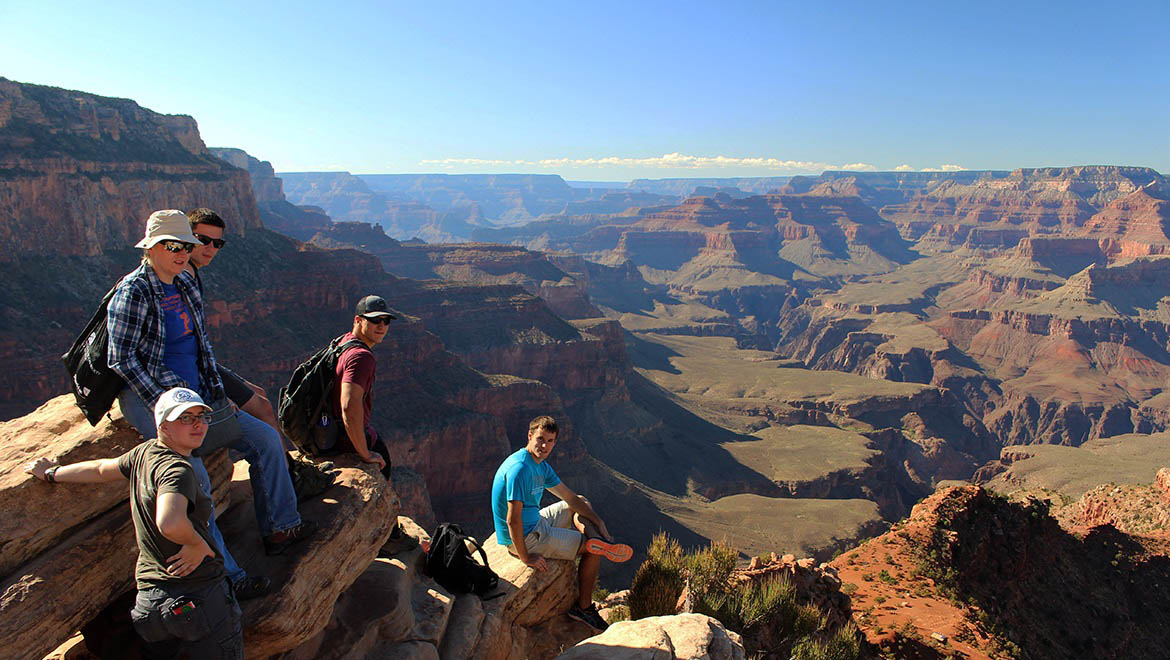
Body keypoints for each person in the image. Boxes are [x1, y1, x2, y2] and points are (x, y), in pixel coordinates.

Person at [107, 209, 316, 601]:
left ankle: (281, 527)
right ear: (151, 247)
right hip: (155, 400)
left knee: (267, 441)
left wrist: (217, 401)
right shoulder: (133, 292)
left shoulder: (184, 285)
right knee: (196, 482)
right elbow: (121, 360)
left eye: (187, 245)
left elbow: (202, 350)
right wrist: (167, 408)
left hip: (199, 397)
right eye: (173, 246)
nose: (183, 252)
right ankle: (228, 576)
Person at [25, 388, 243, 659]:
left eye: (201, 416)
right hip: (199, 599)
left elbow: (101, 469)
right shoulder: (177, 470)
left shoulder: (145, 453)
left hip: (150, 605)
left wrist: (51, 473)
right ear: (163, 424)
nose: (198, 424)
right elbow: (169, 522)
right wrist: (197, 544)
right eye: (185, 418)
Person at [184, 208, 334, 500]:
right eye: (204, 240)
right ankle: (292, 479)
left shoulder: (191, 273)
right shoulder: (180, 274)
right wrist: (212, 394)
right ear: (186, 237)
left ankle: (292, 469)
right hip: (194, 368)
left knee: (261, 397)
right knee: (261, 415)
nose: (211, 248)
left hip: (202, 361)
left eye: (218, 243)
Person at [490, 416, 634, 631]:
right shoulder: (520, 469)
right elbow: (513, 519)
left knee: (581, 501)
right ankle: (583, 608)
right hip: (527, 537)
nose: (544, 445)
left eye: (549, 441)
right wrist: (525, 556)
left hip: (536, 521)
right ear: (530, 436)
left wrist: (598, 521)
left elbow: (570, 497)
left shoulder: (540, 466)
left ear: (555, 443)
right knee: (592, 552)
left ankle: (593, 536)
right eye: (540, 439)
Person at [329, 294, 415, 554]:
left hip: (328, 429)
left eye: (386, 321)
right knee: (382, 458)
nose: (382, 326)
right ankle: (388, 534)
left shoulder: (343, 342)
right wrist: (363, 452)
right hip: (345, 437)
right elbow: (348, 404)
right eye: (375, 320)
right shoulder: (361, 357)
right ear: (358, 320)